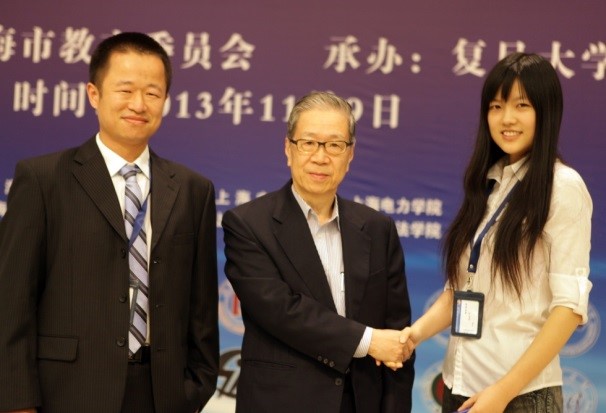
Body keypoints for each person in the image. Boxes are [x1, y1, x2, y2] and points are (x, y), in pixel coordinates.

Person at [0, 32, 219, 413]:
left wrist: (195, 387)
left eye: (152, 93)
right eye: (125, 90)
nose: (139, 104)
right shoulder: (43, 180)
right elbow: (12, 302)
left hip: (161, 394)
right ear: (94, 94)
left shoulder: (192, 190)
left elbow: (201, 311)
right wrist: (17, 403)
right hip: (67, 393)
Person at [399, 53, 593, 413]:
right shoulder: (489, 182)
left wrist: (503, 392)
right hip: (459, 386)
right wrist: (413, 335)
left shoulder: (563, 187)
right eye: (496, 106)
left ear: (546, 111)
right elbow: (462, 289)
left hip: (520, 397)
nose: (506, 119)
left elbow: (568, 309)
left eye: (522, 105)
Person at [222, 91, 415, 413]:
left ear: (350, 154)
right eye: (309, 143)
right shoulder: (248, 224)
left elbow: (396, 336)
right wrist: (367, 341)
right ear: (288, 149)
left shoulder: (377, 228)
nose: (320, 157)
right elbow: (281, 311)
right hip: (282, 403)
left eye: (334, 145)